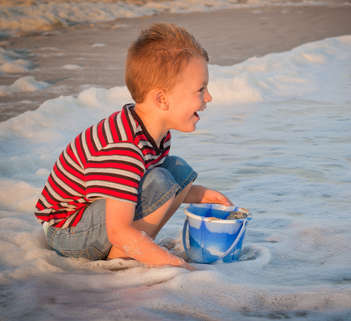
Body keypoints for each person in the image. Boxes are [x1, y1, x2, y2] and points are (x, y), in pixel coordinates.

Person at [34, 23, 232, 270]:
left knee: (178, 170)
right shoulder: (123, 148)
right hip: (68, 231)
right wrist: (175, 265)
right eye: (200, 89)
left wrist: (200, 195)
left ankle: (141, 246)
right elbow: (118, 229)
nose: (209, 97)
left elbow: (142, 184)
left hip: (96, 218)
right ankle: (124, 258)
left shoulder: (155, 134)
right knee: (160, 179)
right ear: (161, 99)